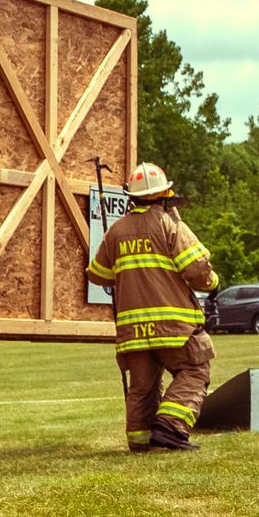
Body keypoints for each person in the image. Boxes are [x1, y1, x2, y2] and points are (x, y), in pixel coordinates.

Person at [86, 162, 218, 453]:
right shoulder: (170, 225)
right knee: (195, 370)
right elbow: (196, 269)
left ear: (131, 197)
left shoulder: (116, 232)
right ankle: (170, 427)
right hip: (174, 326)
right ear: (165, 194)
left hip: (133, 331)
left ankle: (141, 440)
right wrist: (212, 281)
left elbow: (97, 274)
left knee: (143, 387)